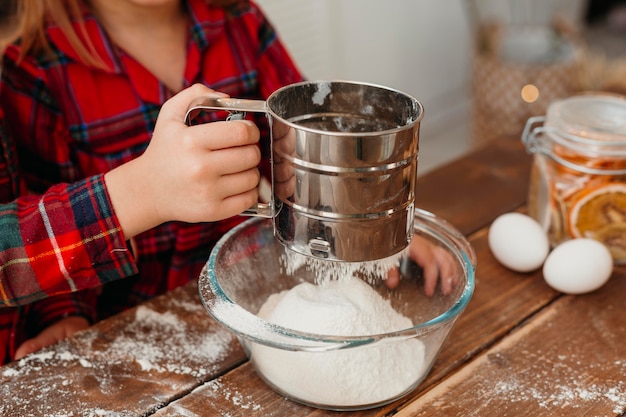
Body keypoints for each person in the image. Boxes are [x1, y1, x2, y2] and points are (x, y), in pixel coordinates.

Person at [0, 0, 455, 363]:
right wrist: (67, 316)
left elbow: (306, 145)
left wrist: (365, 219)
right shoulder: (33, 69)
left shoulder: (240, 22)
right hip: (136, 331)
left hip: (257, 294)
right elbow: (45, 216)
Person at [0, 83, 261, 362]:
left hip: (232, 299)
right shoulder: (35, 74)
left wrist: (63, 311)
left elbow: (25, 205)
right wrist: (144, 189)